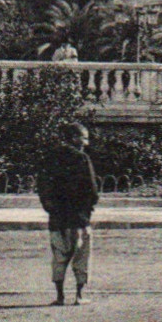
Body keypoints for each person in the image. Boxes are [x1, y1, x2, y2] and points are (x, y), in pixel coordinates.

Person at [36, 121, 100, 306]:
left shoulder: (50, 158)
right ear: (74, 138)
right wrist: (88, 207)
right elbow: (92, 189)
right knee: (81, 256)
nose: (86, 142)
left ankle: (60, 295)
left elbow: (43, 186)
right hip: (79, 217)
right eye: (84, 137)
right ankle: (79, 295)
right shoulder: (82, 159)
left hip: (57, 217)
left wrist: (50, 207)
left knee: (59, 256)